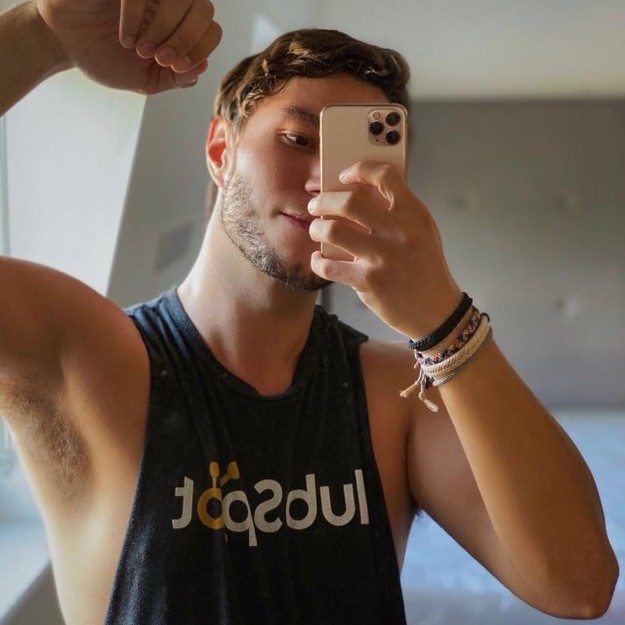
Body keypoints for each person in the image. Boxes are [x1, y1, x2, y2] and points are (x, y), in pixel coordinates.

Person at [0, 1, 619, 624]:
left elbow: (579, 584)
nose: (325, 179)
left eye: (357, 157)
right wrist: (39, 37)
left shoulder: (394, 395)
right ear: (220, 149)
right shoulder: (88, 357)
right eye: (297, 139)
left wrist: (444, 318)